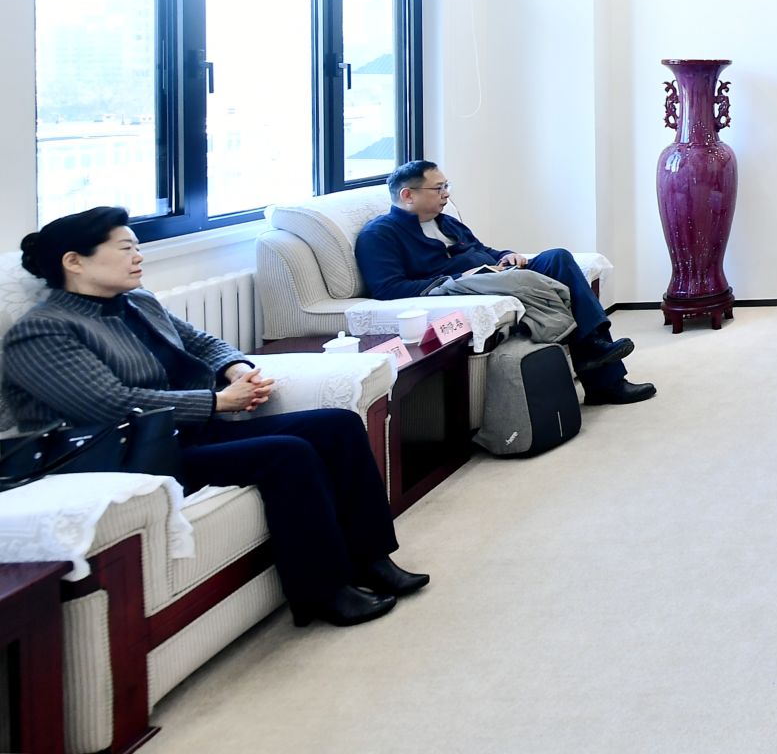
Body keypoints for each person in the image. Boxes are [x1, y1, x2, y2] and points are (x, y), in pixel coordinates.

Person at [3, 208, 427, 628]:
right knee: (287, 453)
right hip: (126, 458)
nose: (138, 256)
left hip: (185, 435)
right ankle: (323, 592)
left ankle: (372, 560)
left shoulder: (137, 301)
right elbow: (109, 404)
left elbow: (202, 343)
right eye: (125, 248)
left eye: (137, 247)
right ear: (74, 261)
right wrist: (218, 402)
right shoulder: (43, 331)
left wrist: (237, 369)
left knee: (337, 425)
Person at [355, 161, 654, 405]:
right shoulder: (380, 234)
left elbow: (482, 250)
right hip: (467, 287)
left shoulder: (446, 221)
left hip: (496, 273)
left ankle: (596, 351)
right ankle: (605, 377)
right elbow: (388, 289)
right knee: (539, 274)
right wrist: (458, 278)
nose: (446, 194)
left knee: (558, 258)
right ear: (408, 195)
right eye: (438, 188)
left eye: (447, 186)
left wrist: (505, 256)